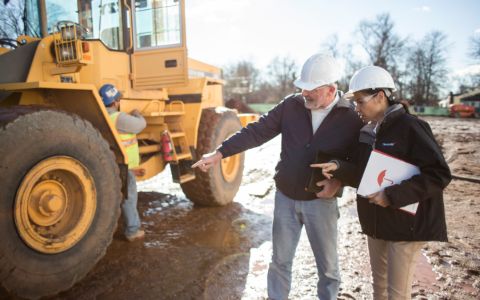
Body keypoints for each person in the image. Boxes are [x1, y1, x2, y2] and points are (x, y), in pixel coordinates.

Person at [192, 53, 363, 299]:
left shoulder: (351, 117)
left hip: (322, 203)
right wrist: (220, 152)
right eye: (302, 88)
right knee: (280, 262)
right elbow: (256, 131)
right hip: (286, 199)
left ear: (331, 90)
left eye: (310, 90)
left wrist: (339, 180)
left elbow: (359, 161)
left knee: (328, 269)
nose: (304, 94)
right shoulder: (291, 105)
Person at [312, 66, 451, 299]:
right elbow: (362, 173)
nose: (356, 108)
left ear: (380, 96)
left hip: (406, 226)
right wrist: (339, 168)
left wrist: (392, 195)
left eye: (360, 101)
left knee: (397, 294)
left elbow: (438, 173)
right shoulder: (367, 133)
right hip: (376, 223)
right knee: (380, 288)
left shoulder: (410, 127)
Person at [99, 83, 146, 242]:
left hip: (110, 163)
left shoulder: (100, 116)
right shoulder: (118, 117)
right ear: (114, 102)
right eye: (118, 99)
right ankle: (133, 230)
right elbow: (140, 126)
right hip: (125, 166)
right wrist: (137, 114)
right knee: (129, 197)